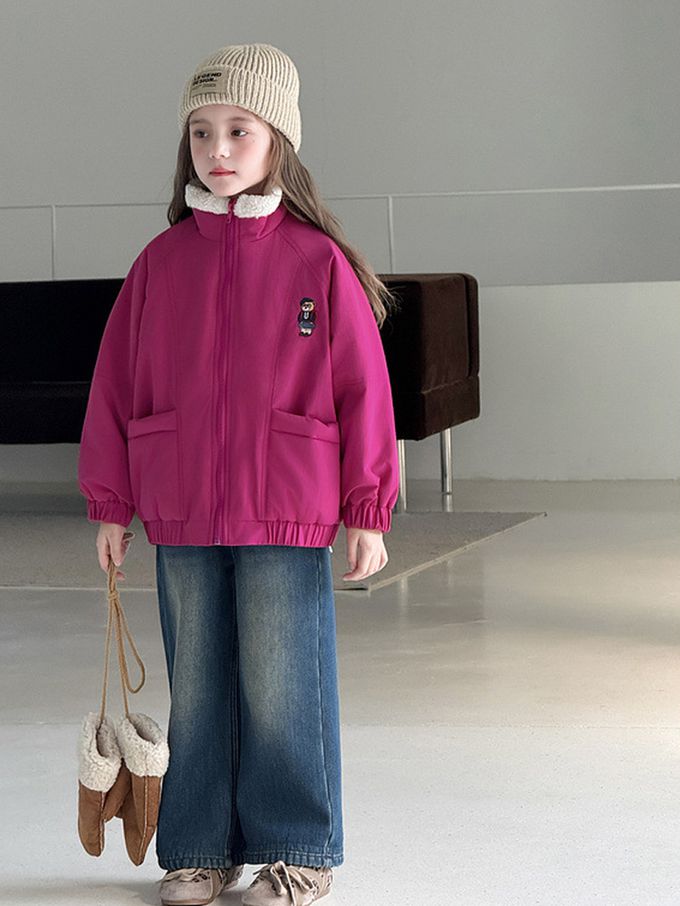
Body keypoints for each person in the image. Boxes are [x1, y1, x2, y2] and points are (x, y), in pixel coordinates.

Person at [77, 42, 400, 906]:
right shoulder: (160, 263)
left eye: (238, 130)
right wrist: (111, 502)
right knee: (198, 690)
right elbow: (116, 386)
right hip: (181, 508)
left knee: (285, 688)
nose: (217, 150)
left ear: (278, 140)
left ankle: (299, 849)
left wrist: (368, 507)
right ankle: (197, 849)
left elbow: (364, 388)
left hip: (287, 507)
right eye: (201, 132)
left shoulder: (316, 263)